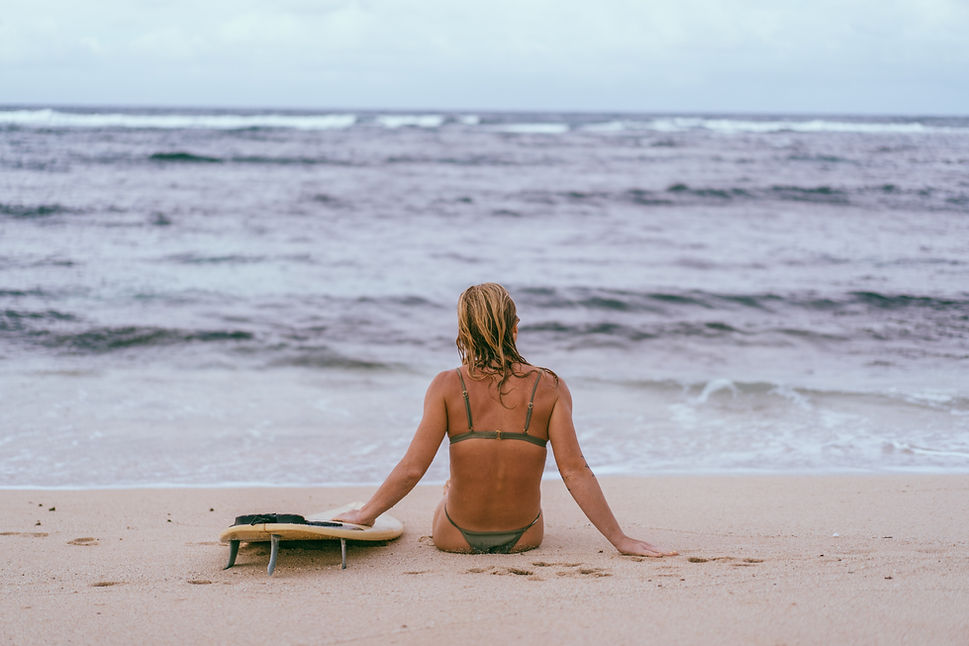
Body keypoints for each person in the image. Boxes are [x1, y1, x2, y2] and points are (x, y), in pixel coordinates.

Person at [335, 283, 676, 557]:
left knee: (449, 490)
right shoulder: (551, 386)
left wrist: (366, 515)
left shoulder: (445, 386)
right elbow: (574, 471)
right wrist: (619, 539)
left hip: (456, 536)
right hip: (525, 537)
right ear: (515, 328)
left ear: (462, 334)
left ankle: (452, 492)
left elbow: (412, 468)